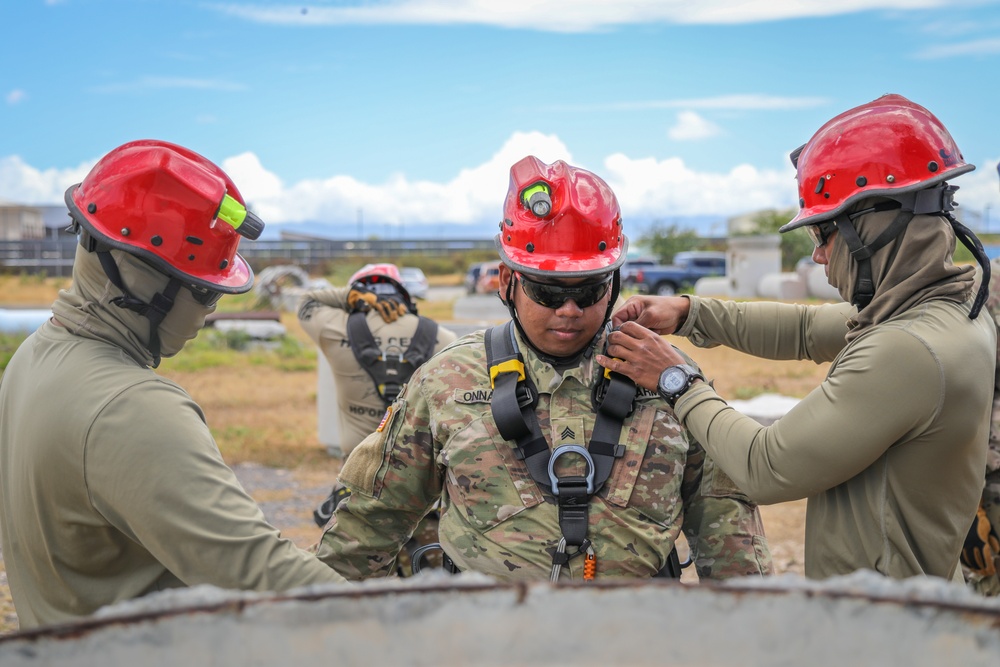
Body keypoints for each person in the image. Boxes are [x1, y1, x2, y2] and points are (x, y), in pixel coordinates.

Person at [315, 156, 772, 582]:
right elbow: (372, 521)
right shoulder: (445, 381)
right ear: (507, 282)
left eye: (590, 291)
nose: (570, 310)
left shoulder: (671, 379)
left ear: (613, 284)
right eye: (549, 293)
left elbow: (727, 527)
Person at [599, 94, 996, 582]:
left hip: (879, 630)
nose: (818, 257)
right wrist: (688, 311)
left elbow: (765, 467)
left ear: (872, 227)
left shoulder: (907, 350)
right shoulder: (947, 311)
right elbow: (807, 329)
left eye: (823, 234)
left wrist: (675, 379)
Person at [0, 140, 344, 629]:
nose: (210, 309)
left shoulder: (35, 356)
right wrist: (416, 624)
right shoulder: (131, 409)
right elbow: (264, 574)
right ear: (141, 281)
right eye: (203, 289)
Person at [298, 264, 456, 534]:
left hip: (356, 486)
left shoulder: (334, 329)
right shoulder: (441, 337)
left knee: (353, 571)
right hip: (420, 491)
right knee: (426, 570)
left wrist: (350, 296)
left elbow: (307, 301)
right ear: (403, 296)